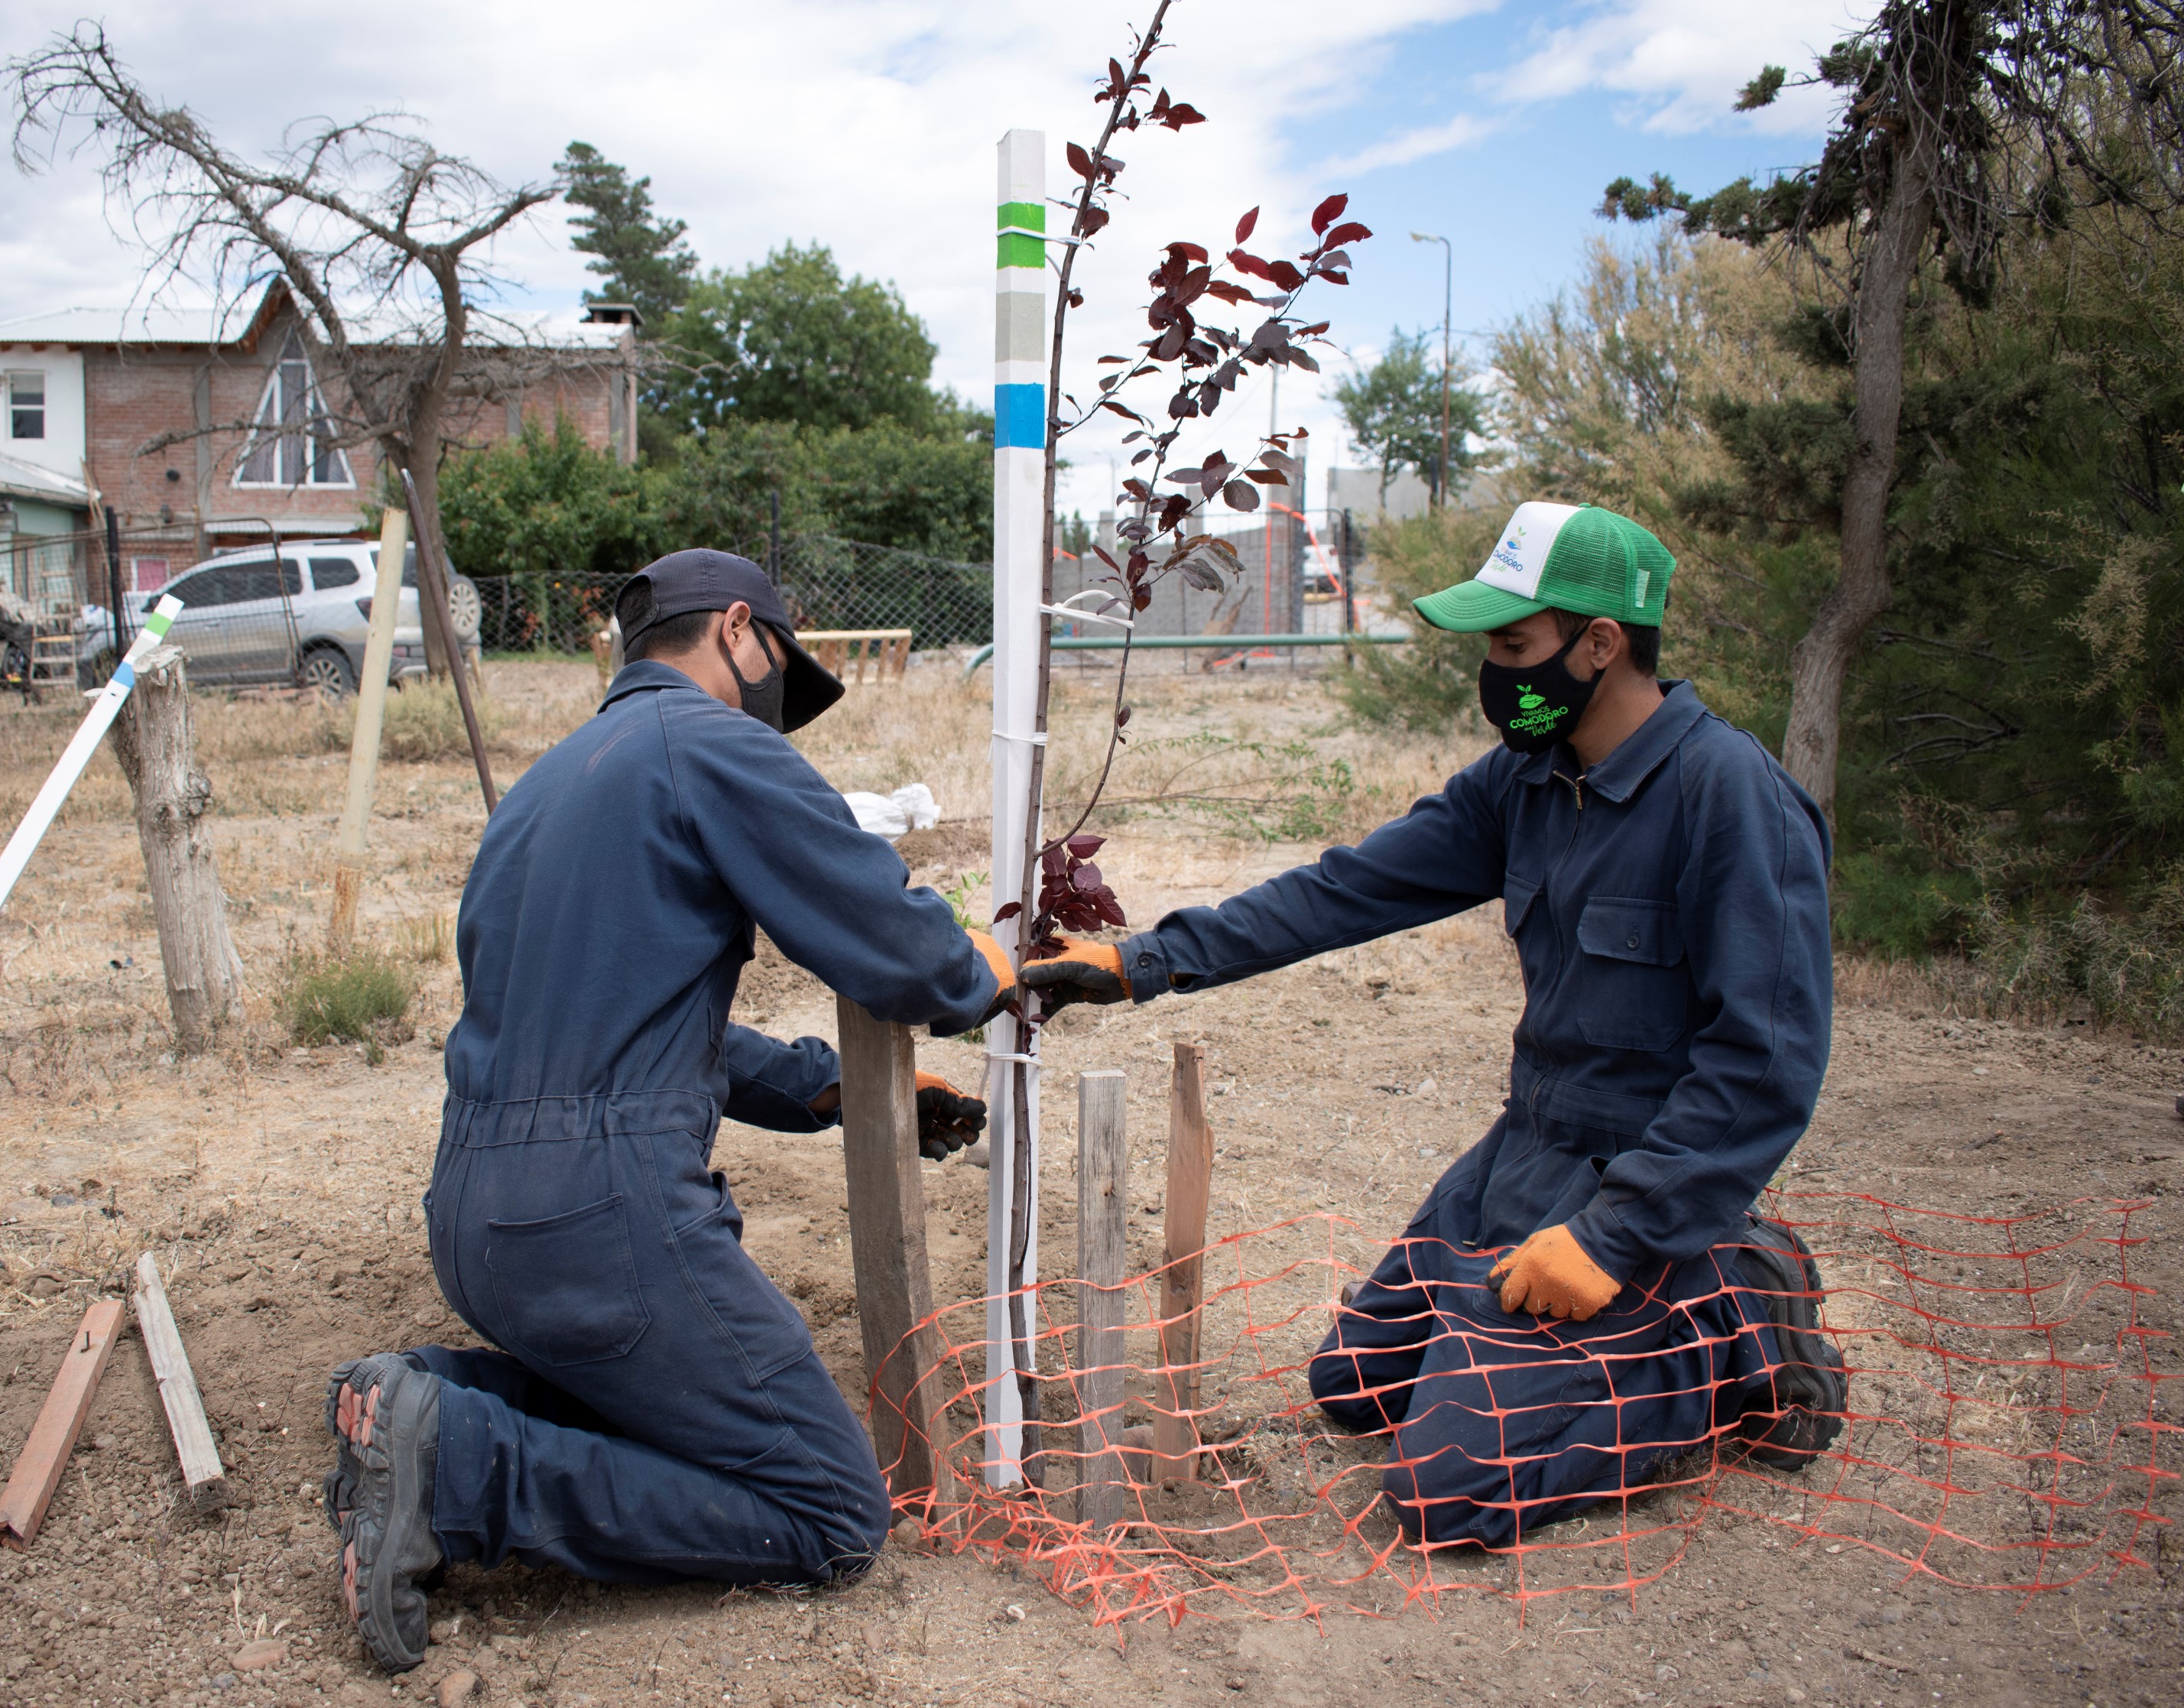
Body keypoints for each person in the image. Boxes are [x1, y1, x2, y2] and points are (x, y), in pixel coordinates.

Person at [1023, 502, 1848, 1550]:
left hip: (1641, 1180)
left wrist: (1615, 1234)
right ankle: (1543, 1340)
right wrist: (1144, 963)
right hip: (1522, 1155)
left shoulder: (1733, 799)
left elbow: (1767, 1065)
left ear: (1601, 643)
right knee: (1353, 1386)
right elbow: (1344, 890)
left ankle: (1730, 1317)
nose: (1496, 675)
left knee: (1447, 1490)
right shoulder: (1528, 782)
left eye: (1515, 646)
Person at [324, 549, 1014, 1671]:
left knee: (664, 1400)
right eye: (778, 678)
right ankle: (462, 1462)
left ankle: (419, 1402)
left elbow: (611, 1019)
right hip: (603, 1222)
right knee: (833, 1510)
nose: (777, 719)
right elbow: (902, 953)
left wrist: (824, 1089)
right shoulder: (710, 744)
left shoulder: (545, 789)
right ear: (736, 629)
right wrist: (980, 965)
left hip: (475, 1215)